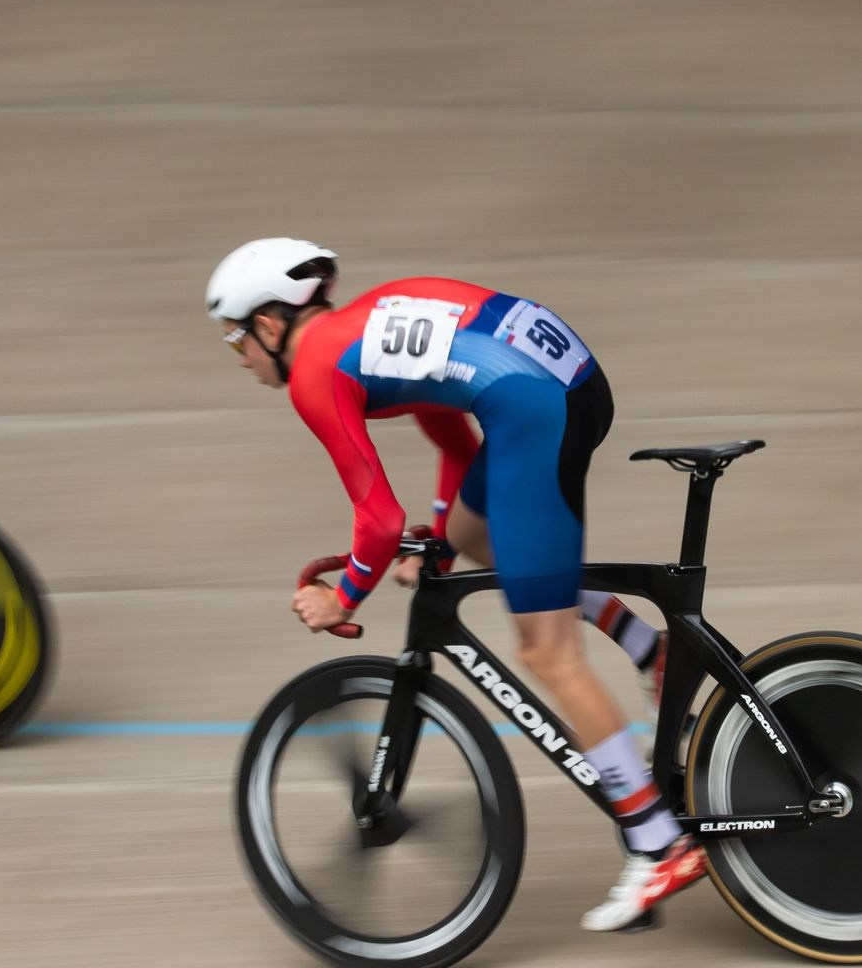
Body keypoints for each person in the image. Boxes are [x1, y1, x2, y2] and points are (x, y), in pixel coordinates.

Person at [206, 237, 699, 931]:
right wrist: (440, 537)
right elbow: (456, 443)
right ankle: (651, 649)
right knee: (473, 536)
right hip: (564, 381)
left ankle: (657, 843)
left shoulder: (317, 370)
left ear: (268, 324)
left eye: (236, 341)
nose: (241, 359)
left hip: (533, 407)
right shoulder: (364, 334)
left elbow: (379, 518)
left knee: (547, 653)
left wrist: (342, 597)